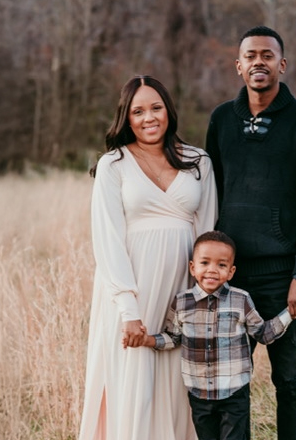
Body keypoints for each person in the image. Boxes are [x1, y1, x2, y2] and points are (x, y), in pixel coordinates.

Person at [205, 26, 296, 440]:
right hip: (231, 275)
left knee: (290, 380)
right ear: (238, 66)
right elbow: (211, 190)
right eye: (250, 56)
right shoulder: (222, 119)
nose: (258, 62)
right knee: (229, 383)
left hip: (282, 278)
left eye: (267, 55)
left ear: (282, 64)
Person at [78, 75, 217, 440]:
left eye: (155, 108)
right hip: (133, 289)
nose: (148, 118)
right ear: (126, 118)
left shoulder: (198, 161)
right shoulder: (114, 164)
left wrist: (203, 296)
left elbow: (207, 232)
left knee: (175, 376)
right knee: (134, 375)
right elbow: (108, 240)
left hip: (181, 288)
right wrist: (129, 310)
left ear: (168, 111)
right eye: (137, 111)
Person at [124, 231, 296, 440]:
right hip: (199, 393)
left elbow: (263, 334)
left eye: (221, 265)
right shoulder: (182, 302)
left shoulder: (241, 300)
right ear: (192, 268)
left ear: (231, 272)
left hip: (234, 393)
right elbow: (173, 337)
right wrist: (147, 340)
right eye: (205, 263)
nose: (212, 270)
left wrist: (290, 314)